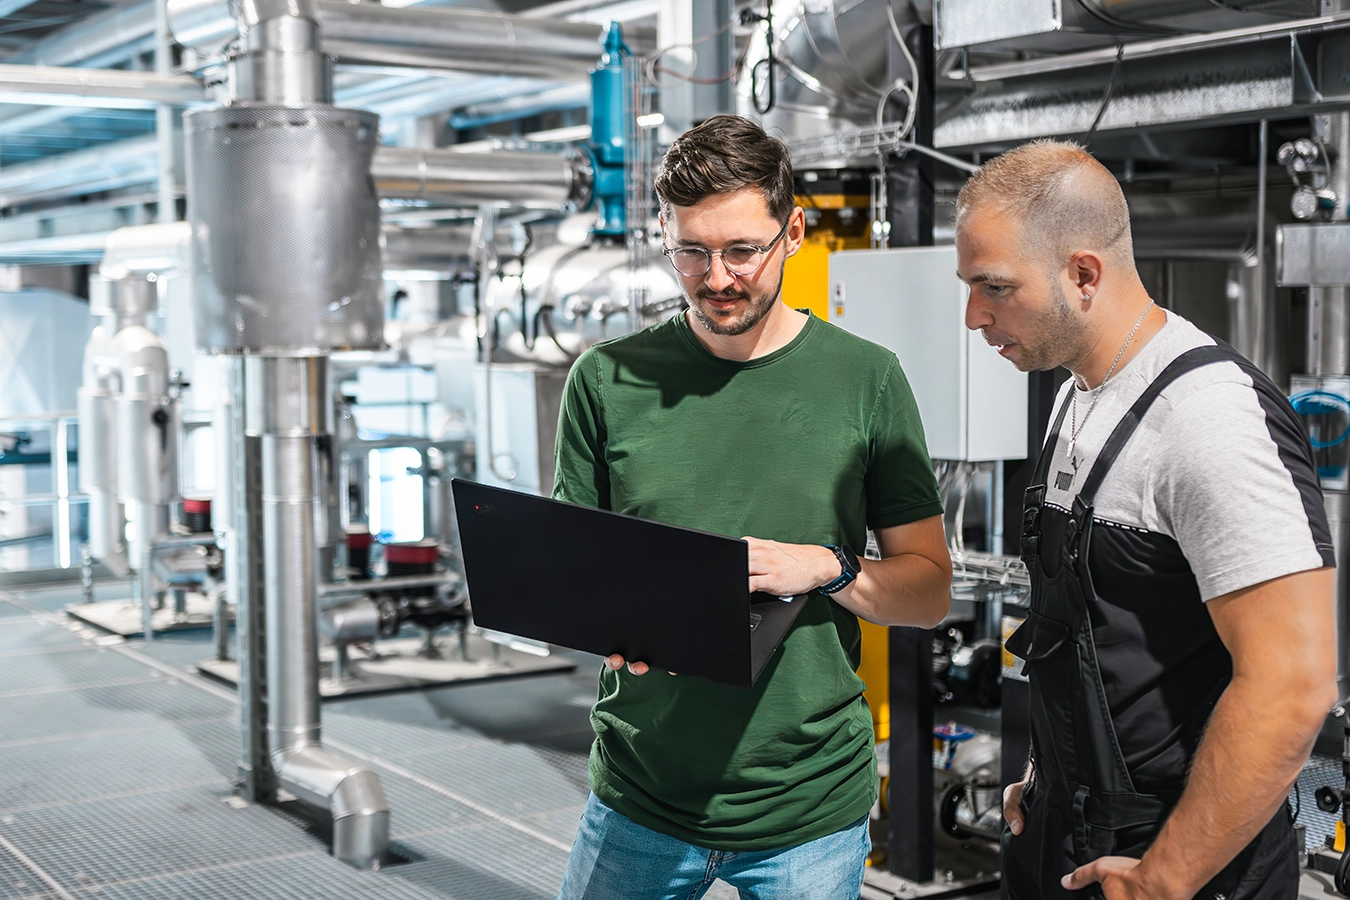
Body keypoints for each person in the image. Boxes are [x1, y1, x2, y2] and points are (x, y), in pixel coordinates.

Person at [551, 113, 953, 900]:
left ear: (794, 232)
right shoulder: (604, 380)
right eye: (691, 251)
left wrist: (829, 568)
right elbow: (574, 576)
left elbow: (929, 592)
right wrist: (604, 627)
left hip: (808, 807)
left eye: (742, 250)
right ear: (663, 235)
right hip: (641, 794)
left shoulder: (866, 380)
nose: (718, 277)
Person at [955, 139, 1337, 900]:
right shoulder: (1077, 392)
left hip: (1177, 863)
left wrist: (1167, 877)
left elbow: (1292, 685)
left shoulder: (1209, 418)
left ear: (1083, 274)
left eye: (995, 286)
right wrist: (1048, 772)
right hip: (1070, 834)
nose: (974, 316)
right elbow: (1093, 630)